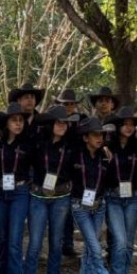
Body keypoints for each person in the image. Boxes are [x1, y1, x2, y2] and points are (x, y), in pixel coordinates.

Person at [22, 105, 78, 274]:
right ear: (50, 123)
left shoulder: (71, 144)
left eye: (65, 122)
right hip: (38, 197)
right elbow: (25, 161)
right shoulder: (37, 141)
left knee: (56, 242)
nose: (63, 125)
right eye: (59, 122)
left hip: (61, 197)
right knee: (35, 242)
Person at [70, 117, 118, 274]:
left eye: (102, 135)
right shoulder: (75, 155)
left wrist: (112, 161)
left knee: (92, 248)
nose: (100, 138)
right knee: (96, 248)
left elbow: (111, 181)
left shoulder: (105, 156)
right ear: (86, 137)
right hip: (79, 206)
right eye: (96, 135)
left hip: (99, 206)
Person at [104, 106, 137, 274]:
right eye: (125, 124)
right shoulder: (107, 146)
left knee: (127, 244)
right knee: (119, 242)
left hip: (133, 197)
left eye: (132, 124)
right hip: (112, 197)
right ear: (118, 126)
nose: (129, 127)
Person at [0, 103, 33, 274]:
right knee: (2, 238)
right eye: (14, 120)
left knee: (15, 239)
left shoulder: (28, 143)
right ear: (6, 123)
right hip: (0, 191)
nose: (18, 124)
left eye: (21, 120)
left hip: (20, 191)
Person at [55, 88, 84, 257]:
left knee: (70, 209)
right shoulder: (54, 121)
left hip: (76, 170)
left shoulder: (81, 122)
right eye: (66, 104)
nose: (69, 106)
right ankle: (60, 244)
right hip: (57, 171)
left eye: (72, 104)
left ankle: (68, 243)